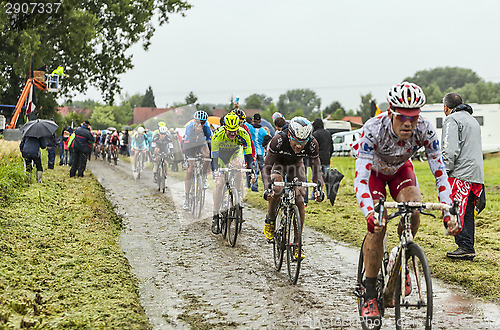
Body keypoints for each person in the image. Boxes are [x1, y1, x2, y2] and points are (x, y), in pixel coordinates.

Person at [353, 82, 459, 322]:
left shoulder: (425, 129)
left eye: (413, 117)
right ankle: (370, 293)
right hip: (374, 176)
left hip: (401, 171)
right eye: (402, 117)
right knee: (378, 227)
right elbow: (360, 176)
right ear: (391, 112)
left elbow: (440, 173)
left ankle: (401, 256)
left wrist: (448, 211)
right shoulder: (373, 129)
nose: (408, 123)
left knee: (414, 209)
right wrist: (370, 213)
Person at [262, 117, 324, 258]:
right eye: (296, 142)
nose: (299, 146)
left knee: (300, 199)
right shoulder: (278, 140)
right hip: (278, 164)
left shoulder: (312, 143)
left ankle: (297, 243)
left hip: (296, 166)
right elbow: (266, 167)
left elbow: (316, 168)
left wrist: (318, 188)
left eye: (303, 143)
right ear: (290, 135)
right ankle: (270, 219)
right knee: (277, 189)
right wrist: (267, 188)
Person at [442, 93, 485, 260]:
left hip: (460, 173)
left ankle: (464, 245)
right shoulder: (472, 120)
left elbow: (450, 149)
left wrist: (444, 171)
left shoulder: (452, 120)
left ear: (446, 107)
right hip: (475, 174)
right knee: (466, 212)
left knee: (455, 209)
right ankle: (468, 246)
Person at [210, 113, 254, 234]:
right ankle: (215, 215)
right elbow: (214, 158)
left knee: (238, 166)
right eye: (230, 131)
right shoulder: (217, 136)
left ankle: (238, 193)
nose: (233, 133)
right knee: (219, 184)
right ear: (225, 128)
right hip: (221, 158)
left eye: (235, 130)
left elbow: (249, 156)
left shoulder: (243, 134)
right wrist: (216, 171)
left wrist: (251, 170)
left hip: (235, 154)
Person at [183, 110, 212, 210]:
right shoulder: (189, 128)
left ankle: (203, 178)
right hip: (190, 145)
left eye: (202, 122)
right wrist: (185, 160)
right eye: (198, 122)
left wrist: (212, 159)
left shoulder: (207, 129)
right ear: (194, 121)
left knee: (207, 156)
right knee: (190, 170)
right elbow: (185, 146)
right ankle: (187, 199)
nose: (200, 124)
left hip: (201, 144)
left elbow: (210, 144)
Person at [247, 113, 270, 192]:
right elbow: (268, 138)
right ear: (260, 121)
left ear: (253, 120)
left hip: (253, 152)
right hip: (261, 152)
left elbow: (243, 121)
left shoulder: (250, 128)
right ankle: (266, 187)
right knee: (264, 171)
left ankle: (254, 186)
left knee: (254, 170)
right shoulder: (263, 131)